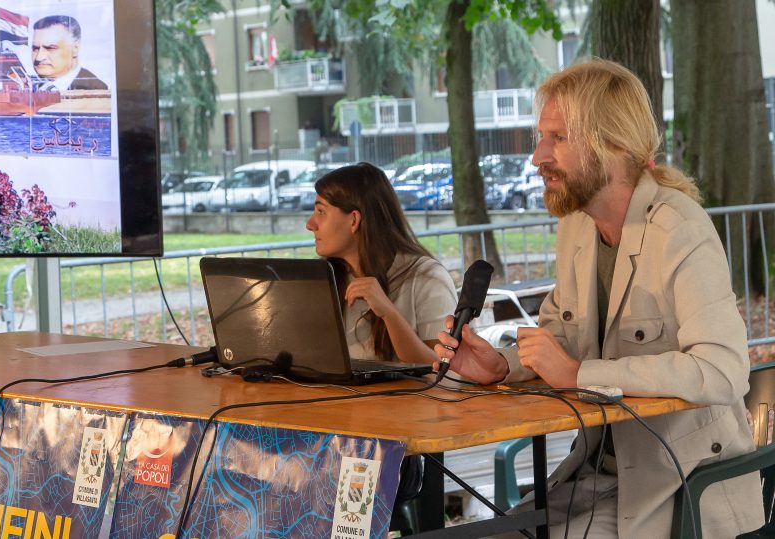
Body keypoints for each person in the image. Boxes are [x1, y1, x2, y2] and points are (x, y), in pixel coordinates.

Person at [433, 59, 764, 537]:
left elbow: (723, 370)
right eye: (540, 137)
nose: (537, 157)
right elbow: (561, 337)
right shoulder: (577, 226)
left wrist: (579, 376)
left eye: (557, 138)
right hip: (596, 478)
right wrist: (502, 365)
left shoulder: (680, 229)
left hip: (681, 486)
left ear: (613, 144)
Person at [307, 162, 457, 363]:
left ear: (354, 220)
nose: (310, 224)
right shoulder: (325, 279)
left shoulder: (427, 277)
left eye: (321, 212)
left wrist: (389, 313)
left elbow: (445, 369)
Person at [30, 15, 107, 91]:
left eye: (50, 48)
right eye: (35, 48)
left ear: (75, 49)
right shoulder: (30, 86)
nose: (38, 57)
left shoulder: (96, 90)